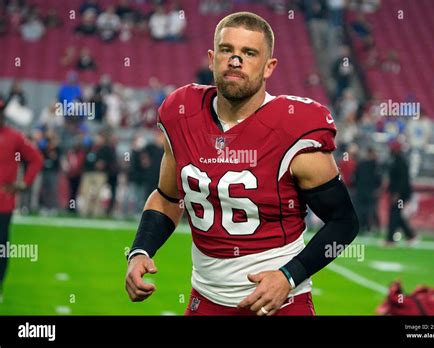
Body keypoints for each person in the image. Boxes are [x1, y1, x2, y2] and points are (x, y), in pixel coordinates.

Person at [125, 12, 359, 316]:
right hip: (205, 301)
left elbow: (344, 221)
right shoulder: (180, 113)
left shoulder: (293, 128)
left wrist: (290, 275)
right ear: (212, 59)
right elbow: (168, 197)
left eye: (249, 53)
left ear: (268, 66)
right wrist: (141, 250)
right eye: (227, 50)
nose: (236, 60)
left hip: (280, 303)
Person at [0, 98, 43, 302]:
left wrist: (24, 183)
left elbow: (36, 158)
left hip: (3, 201)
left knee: (1, 246)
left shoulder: (14, 137)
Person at [385, 140, 417, 246]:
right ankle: (410, 235)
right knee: (396, 215)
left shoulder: (400, 161)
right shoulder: (396, 160)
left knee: (394, 214)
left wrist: (397, 193)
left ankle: (390, 239)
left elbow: (402, 180)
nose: (390, 149)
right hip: (398, 193)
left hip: (400, 194)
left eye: (392, 148)